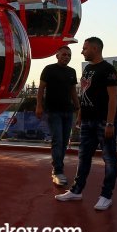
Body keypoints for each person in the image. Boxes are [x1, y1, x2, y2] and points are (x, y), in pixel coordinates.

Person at [55, 37, 117, 211]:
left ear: (95, 49)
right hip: (87, 121)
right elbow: (84, 93)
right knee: (83, 157)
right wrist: (80, 115)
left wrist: (110, 123)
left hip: (103, 121)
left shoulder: (108, 70)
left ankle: (106, 196)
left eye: (85, 48)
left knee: (109, 159)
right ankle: (76, 191)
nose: (82, 51)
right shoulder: (88, 69)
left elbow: (113, 98)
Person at [36, 46, 79, 186]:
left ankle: (58, 168)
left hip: (68, 111)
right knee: (57, 140)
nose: (67, 57)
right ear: (57, 55)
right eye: (64, 54)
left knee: (65, 141)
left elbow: (73, 91)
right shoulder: (49, 69)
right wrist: (39, 106)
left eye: (69, 55)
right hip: (53, 111)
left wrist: (78, 109)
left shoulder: (72, 72)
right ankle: (58, 171)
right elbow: (41, 89)